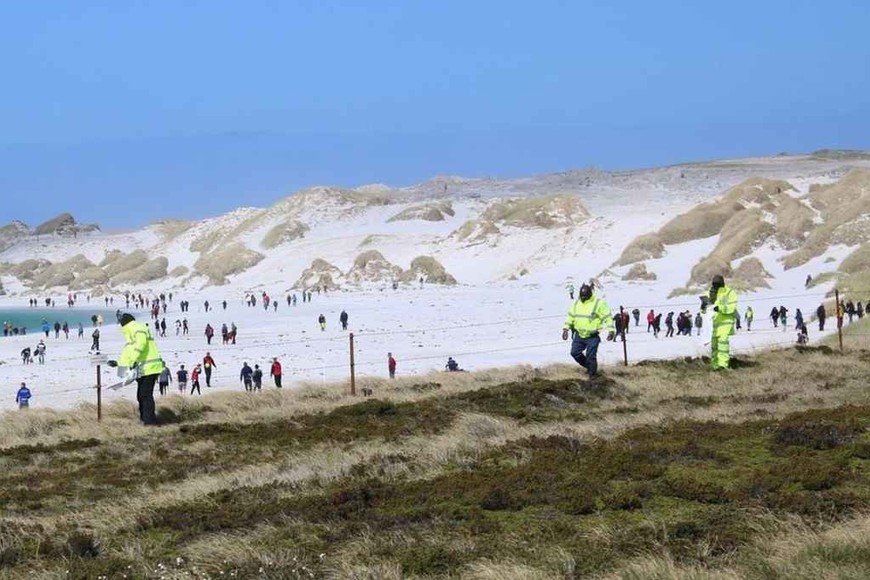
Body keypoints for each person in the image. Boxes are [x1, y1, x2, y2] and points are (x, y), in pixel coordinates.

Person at [107, 313, 164, 425]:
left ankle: (150, 422)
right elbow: (129, 353)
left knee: (145, 395)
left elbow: (140, 345)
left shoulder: (138, 328)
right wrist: (118, 363)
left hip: (150, 367)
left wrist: (133, 361)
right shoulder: (130, 334)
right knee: (141, 395)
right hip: (141, 369)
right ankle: (144, 419)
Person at [561, 282, 615, 378]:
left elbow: (607, 317)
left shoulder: (599, 303)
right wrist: (565, 329)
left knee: (591, 356)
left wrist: (611, 330)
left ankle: (592, 376)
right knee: (574, 353)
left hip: (592, 336)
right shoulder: (576, 303)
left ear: (589, 294)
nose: (583, 298)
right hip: (579, 335)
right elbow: (570, 317)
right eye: (581, 296)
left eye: (585, 296)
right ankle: (590, 367)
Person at [708, 275, 738, 371]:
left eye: (717, 283)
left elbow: (732, 307)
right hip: (713, 324)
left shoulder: (729, 292)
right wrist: (703, 308)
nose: (715, 285)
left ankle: (723, 365)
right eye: (714, 283)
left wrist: (719, 308)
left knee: (723, 344)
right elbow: (706, 310)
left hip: (725, 323)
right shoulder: (710, 293)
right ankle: (715, 365)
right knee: (714, 346)